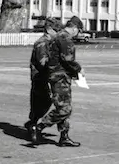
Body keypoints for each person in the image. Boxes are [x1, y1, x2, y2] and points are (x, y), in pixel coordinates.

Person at [29, 16, 83, 147]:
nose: (78, 34)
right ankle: (39, 126)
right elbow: (67, 59)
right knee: (65, 109)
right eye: (79, 31)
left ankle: (64, 136)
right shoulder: (65, 38)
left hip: (57, 76)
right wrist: (78, 70)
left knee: (62, 106)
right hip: (59, 77)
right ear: (75, 29)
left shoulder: (58, 37)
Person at [24, 18, 60, 132]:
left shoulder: (49, 43)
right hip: (40, 78)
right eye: (56, 30)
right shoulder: (42, 43)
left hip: (44, 77)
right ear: (49, 30)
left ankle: (32, 123)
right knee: (42, 102)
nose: (58, 33)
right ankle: (33, 124)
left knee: (45, 102)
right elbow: (43, 62)